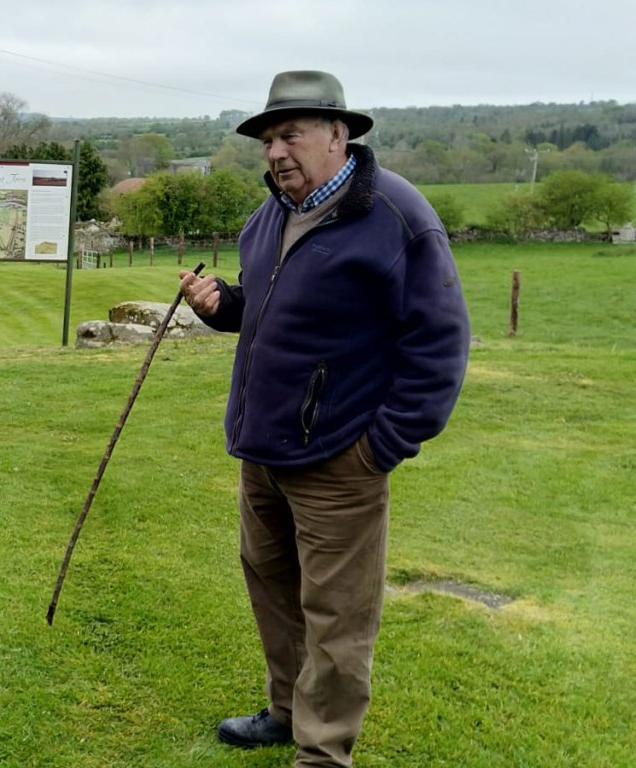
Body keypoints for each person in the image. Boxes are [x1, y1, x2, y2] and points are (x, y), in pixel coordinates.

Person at [178, 71, 470, 767]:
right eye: (269, 139)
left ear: (339, 136)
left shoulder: (395, 216)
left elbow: (440, 341)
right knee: (274, 588)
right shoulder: (272, 212)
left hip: (340, 459)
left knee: (338, 616)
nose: (277, 152)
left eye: (292, 135)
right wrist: (227, 307)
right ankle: (285, 712)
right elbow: (272, 310)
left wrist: (382, 446)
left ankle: (322, 752)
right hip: (263, 450)